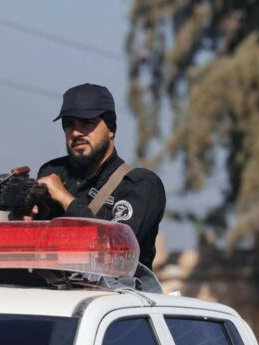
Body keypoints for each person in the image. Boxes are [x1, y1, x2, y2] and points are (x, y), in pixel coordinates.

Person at [34, 83, 166, 270]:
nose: (76, 132)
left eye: (87, 123)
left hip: (117, 288)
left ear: (111, 129)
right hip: (52, 286)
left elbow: (118, 250)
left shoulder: (139, 184)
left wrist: (65, 199)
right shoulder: (53, 172)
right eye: (69, 124)